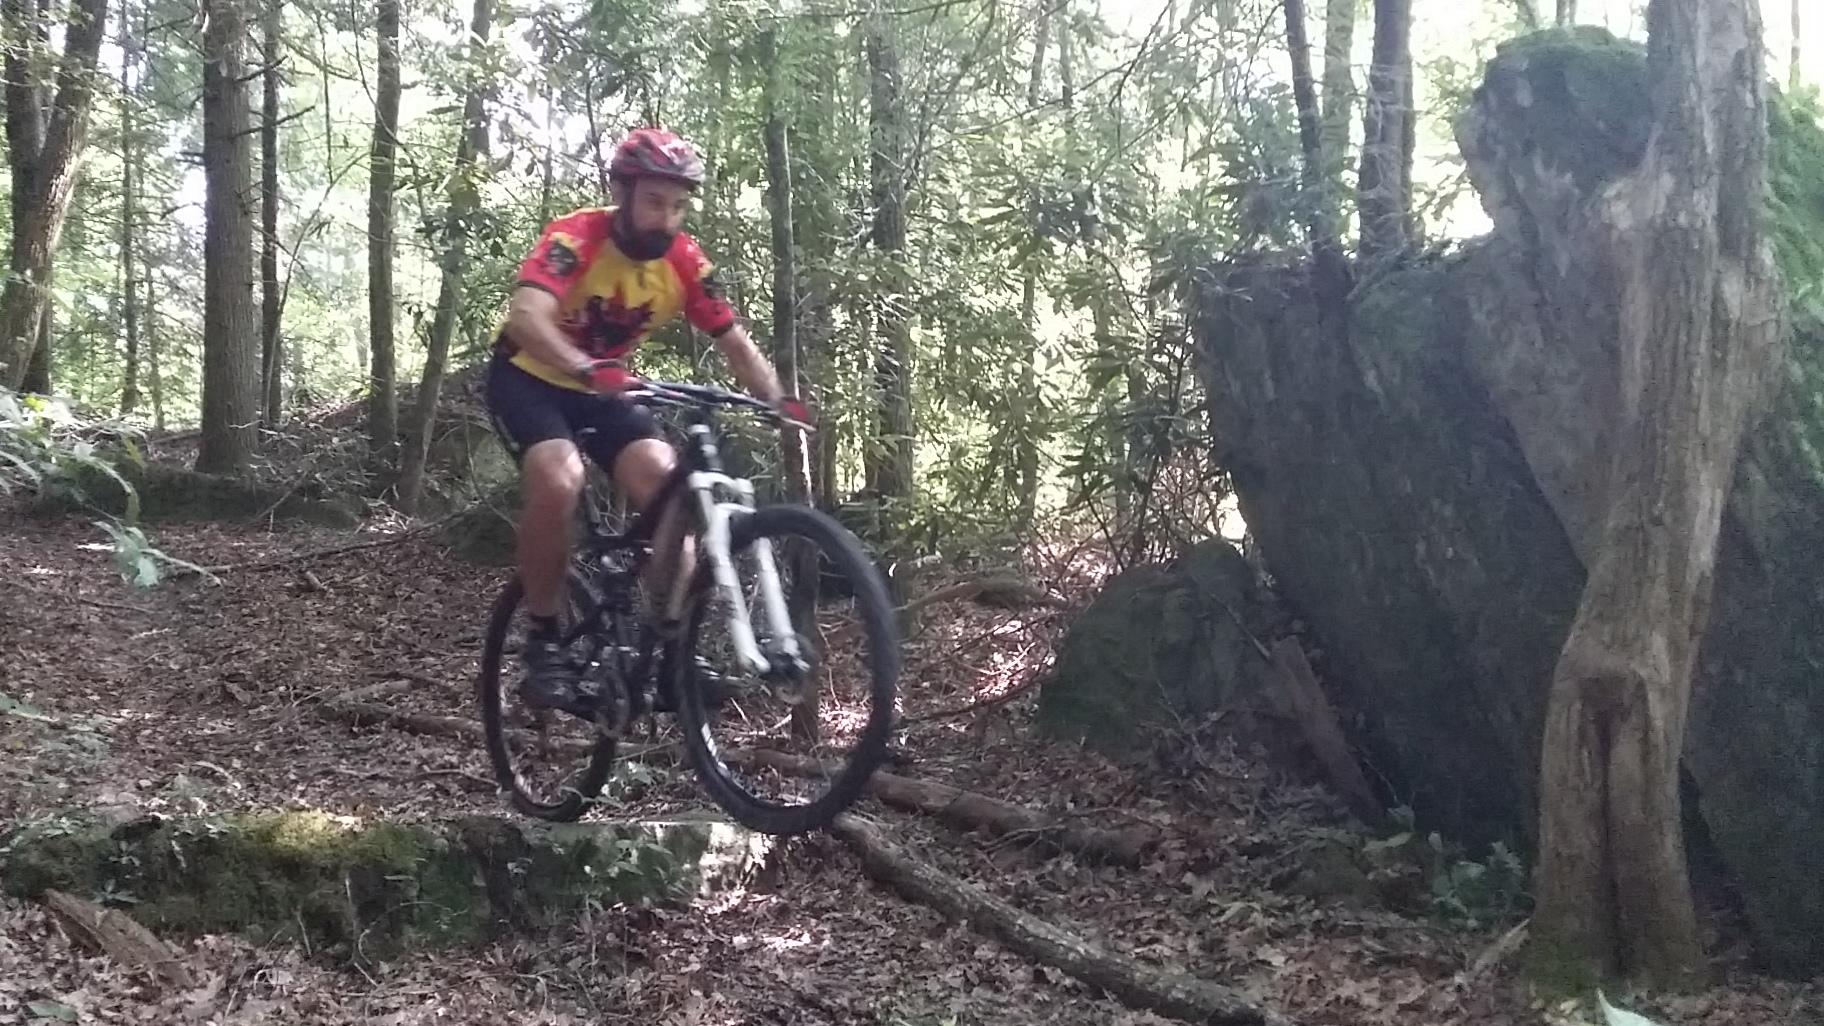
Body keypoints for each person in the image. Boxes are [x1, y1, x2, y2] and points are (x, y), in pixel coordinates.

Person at [484, 126, 808, 710]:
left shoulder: (684, 260)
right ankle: (544, 642)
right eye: (655, 201)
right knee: (560, 479)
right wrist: (584, 367)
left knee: (671, 493)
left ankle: (670, 648)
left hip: (602, 386)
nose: (668, 218)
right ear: (623, 192)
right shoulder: (575, 237)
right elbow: (527, 316)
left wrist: (779, 401)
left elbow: (734, 341)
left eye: (680, 205)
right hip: (529, 378)